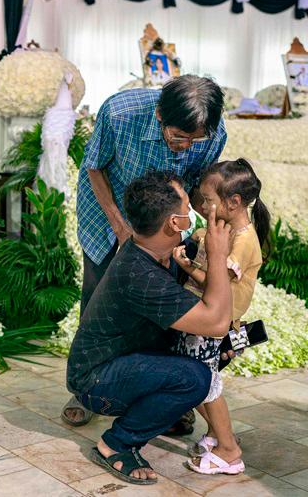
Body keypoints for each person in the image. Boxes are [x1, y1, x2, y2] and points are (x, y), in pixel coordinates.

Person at [61, 75, 227, 428]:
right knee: (99, 298)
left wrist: (207, 225)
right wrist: (121, 227)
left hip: (167, 225)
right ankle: (88, 386)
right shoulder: (120, 113)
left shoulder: (212, 131)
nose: (186, 146)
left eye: (195, 140)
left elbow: (196, 185)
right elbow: (94, 166)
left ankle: (164, 395)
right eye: (178, 137)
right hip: (109, 216)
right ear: (158, 116)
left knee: (168, 306)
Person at [67, 170, 233, 485]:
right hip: (95, 380)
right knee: (194, 379)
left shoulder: (152, 250)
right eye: (187, 207)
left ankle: (153, 415)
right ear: (173, 223)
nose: (192, 213)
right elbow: (216, 323)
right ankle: (117, 443)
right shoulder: (141, 275)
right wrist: (218, 253)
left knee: (192, 361)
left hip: (116, 361)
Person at [172, 158, 270, 475]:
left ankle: (229, 450)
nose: (203, 205)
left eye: (209, 200)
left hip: (213, 321)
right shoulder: (224, 228)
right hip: (202, 316)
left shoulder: (243, 242)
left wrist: (188, 267)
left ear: (234, 202)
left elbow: (218, 287)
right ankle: (217, 434)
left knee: (205, 386)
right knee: (196, 381)